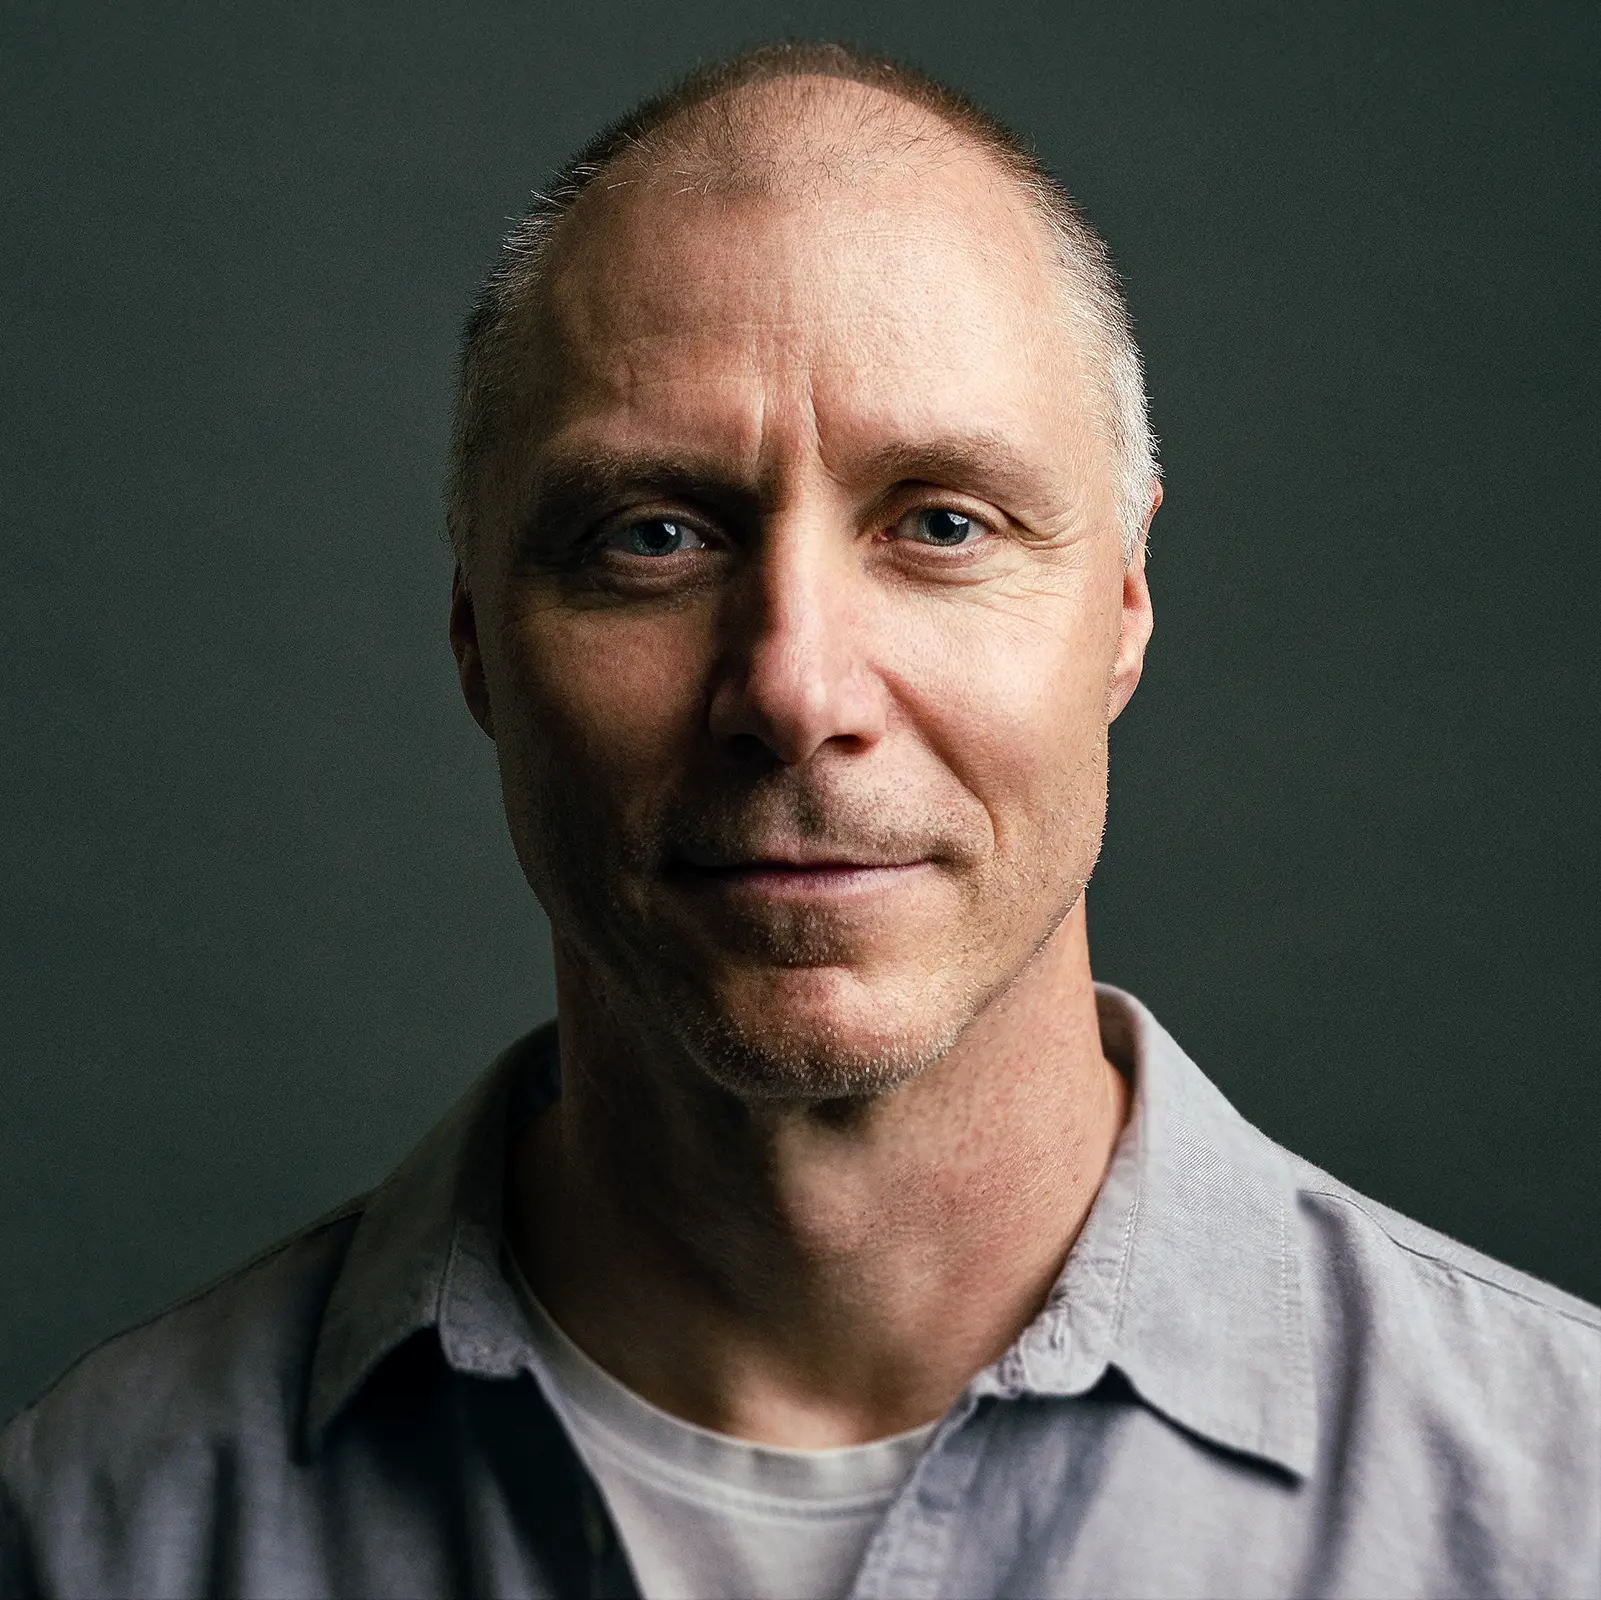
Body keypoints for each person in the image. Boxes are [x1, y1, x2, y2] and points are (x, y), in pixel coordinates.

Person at [2, 41, 1596, 1600]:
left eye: (945, 524)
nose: (794, 685)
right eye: (655, 535)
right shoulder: (91, 1532)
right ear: (479, 636)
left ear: (1121, 604)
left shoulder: (1559, 1507)